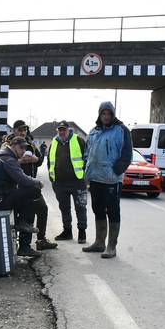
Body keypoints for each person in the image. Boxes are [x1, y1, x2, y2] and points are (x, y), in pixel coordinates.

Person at [82, 102, 132, 258]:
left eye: (108, 114)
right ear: (99, 114)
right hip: (95, 178)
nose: (106, 117)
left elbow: (127, 154)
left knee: (113, 211)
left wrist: (116, 171)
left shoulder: (121, 130)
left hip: (111, 180)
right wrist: (87, 171)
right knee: (97, 209)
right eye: (103, 114)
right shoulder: (93, 131)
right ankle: (99, 242)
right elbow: (87, 153)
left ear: (112, 115)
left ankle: (111, 246)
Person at [1, 120, 57, 250]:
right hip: (15, 185)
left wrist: (35, 159)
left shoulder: (30, 143)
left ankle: (41, 240)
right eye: (20, 130)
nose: (22, 132)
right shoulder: (7, 144)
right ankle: (19, 245)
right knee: (21, 215)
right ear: (14, 130)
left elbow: (39, 160)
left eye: (25, 130)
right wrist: (21, 161)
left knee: (42, 208)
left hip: (30, 184)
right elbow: (4, 161)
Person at [0, 136, 45, 257]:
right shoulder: (8, 159)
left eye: (25, 148)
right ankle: (23, 232)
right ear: (13, 146)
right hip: (0, 200)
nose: (23, 150)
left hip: (1, 196)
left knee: (30, 200)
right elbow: (23, 179)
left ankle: (24, 239)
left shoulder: (7, 157)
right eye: (21, 147)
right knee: (34, 191)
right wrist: (38, 182)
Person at [48, 120, 88, 243]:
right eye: (60, 130)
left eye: (63, 129)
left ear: (68, 129)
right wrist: (52, 178)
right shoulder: (54, 142)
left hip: (77, 181)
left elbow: (87, 158)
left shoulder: (79, 140)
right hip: (60, 183)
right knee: (64, 208)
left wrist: (86, 176)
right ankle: (67, 231)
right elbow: (50, 160)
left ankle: (82, 232)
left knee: (80, 207)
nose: (61, 132)